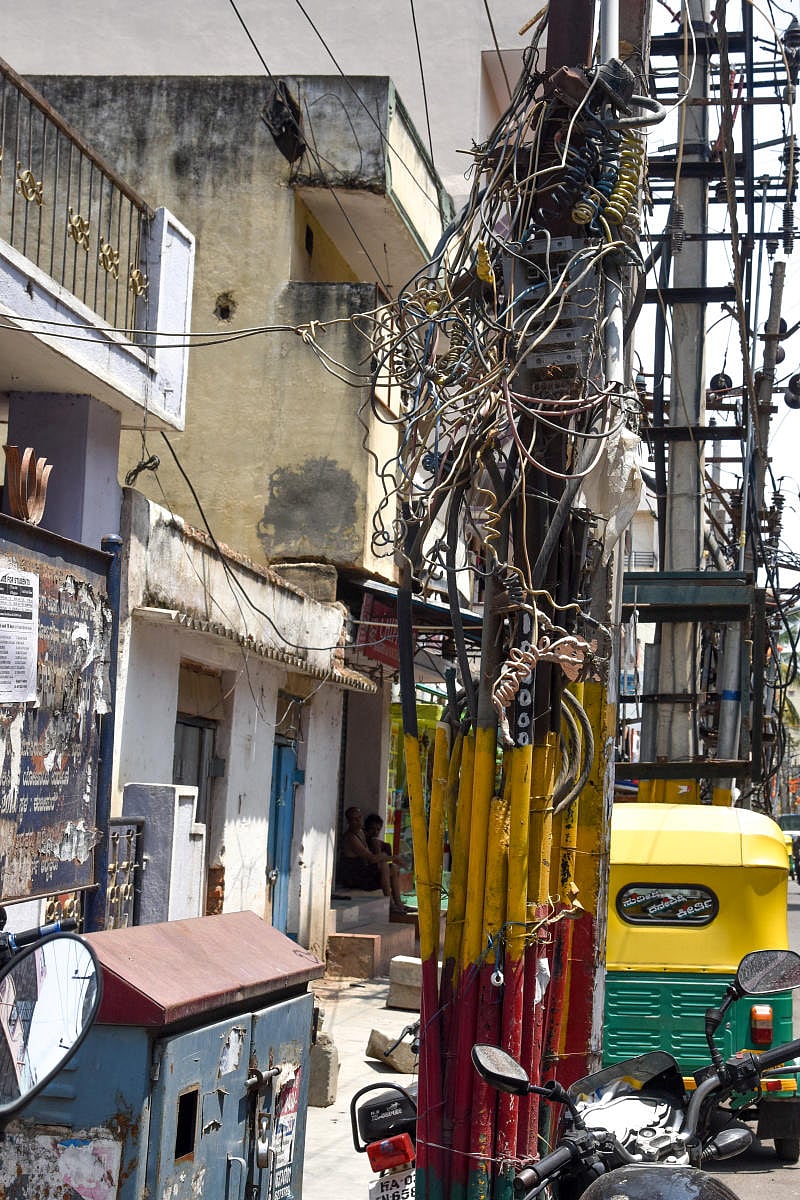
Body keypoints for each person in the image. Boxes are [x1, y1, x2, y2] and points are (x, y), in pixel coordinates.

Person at [338, 806, 409, 914]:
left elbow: (374, 846)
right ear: (349, 822)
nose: (358, 822)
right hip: (355, 877)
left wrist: (382, 851)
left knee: (393, 868)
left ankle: (399, 904)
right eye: (354, 819)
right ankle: (390, 905)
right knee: (384, 865)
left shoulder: (361, 833)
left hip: (364, 872)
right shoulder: (350, 838)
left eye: (359, 818)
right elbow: (371, 858)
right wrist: (393, 858)